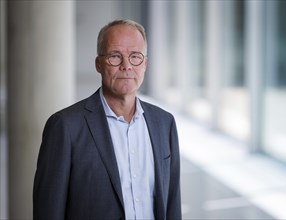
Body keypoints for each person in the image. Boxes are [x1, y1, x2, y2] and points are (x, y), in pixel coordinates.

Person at [33, 19, 182, 220]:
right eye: (115, 56)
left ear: (145, 64)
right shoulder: (65, 126)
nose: (126, 66)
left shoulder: (164, 123)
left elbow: (172, 204)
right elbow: (48, 211)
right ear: (99, 64)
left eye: (135, 56)